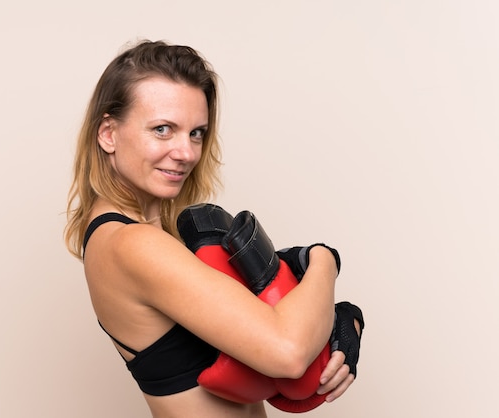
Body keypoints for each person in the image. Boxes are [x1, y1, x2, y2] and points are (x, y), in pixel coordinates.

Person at [65, 39, 362, 418]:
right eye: (162, 129)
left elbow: (271, 340)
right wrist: (323, 259)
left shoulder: (161, 239)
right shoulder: (131, 243)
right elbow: (287, 352)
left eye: (196, 133)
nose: (186, 152)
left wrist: (344, 318)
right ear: (108, 133)